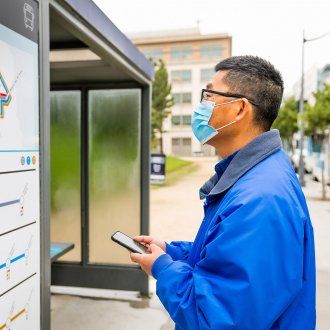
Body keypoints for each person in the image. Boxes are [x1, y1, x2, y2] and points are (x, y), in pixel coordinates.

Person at [130, 55, 316, 329]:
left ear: (240, 109)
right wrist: (170, 252)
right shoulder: (257, 176)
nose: (201, 106)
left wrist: (163, 268)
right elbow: (225, 259)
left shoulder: (259, 199)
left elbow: (215, 318)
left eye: (209, 94)